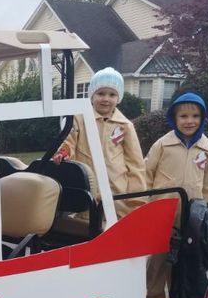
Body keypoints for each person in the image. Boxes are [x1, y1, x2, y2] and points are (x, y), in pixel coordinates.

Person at [145, 92, 208, 298]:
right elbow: (145, 174)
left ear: (202, 118)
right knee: (158, 259)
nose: (190, 121)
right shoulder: (163, 144)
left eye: (195, 116)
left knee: (184, 261)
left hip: (191, 218)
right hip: (161, 212)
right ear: (174, 118)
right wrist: (144, 206)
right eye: (184, 116)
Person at [52, 67, 147, 217]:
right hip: (88, 184)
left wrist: (137, 197)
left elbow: (135, 163)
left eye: (112, 94)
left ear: (118, 98)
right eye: (101, 93)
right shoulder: (79, 119)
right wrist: (63, 152)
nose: (106, 99)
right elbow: (69, 141)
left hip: (116, 188)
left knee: (114, 226)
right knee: (87, 224)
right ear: (92, 95)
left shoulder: (125, 125)